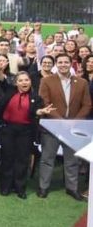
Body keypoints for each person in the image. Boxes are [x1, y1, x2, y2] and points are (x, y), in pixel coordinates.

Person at [0, 71, 53, 199]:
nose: (24, 83)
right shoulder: (10, 91)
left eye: (26, 80)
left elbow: (36, 110)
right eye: (21, 80)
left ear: (30, 82)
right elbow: (1, 81)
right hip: (8, 129)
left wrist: (40, 111)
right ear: (16, 83)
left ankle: (20, 188)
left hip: (26, 131)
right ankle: (5, 187)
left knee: (22, 160)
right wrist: (0, 70)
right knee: (7, 158)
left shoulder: (36, 97)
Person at [38, 53, 92, 200]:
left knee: (72, 160)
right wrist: (62, 121)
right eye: (60, 62)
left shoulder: (81, 82)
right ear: (56, 64)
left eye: (66, 62)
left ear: (70, 64)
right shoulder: (46, 81)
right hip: (52, 127)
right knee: (47, 158)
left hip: (73, 128)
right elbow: (45, 103)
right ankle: (43, 187)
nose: (63, 64)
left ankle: (72, 188)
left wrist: (74, 121)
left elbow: (87, 105)